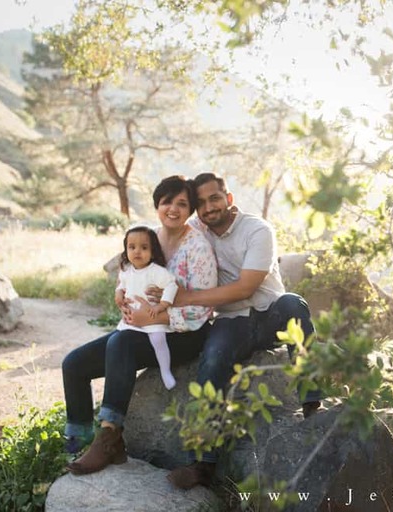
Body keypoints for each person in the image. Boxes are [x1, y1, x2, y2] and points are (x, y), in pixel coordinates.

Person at [165, 172, 322, 490]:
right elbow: (165, 239)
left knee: (295, 303)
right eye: (201, 203)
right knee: (212, 360)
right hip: (230, 322)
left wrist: (190, 298)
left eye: (214, 198)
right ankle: (203, 464)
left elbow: (246, 287)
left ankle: (312, 404)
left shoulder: (258, 229)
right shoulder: (197, 230)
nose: (209, 208)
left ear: (229, 198)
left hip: (270, 314)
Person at [62, 175, 217, 475]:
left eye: (182, 203)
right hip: (140, 329)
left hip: (186, 334)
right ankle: (79, 442)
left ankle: (108, 438)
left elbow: (202, 309)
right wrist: (120, 294)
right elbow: (126, 272)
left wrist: (157, 317)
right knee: (74, 364)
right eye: (166, 202)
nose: (173, 209)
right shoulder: (148, 237)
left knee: (120, 343)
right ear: (157, 205)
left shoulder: (198, 248)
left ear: (191, 209)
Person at [115, 225, 179, 390]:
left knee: (158, 339)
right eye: (132, 247)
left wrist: (162, 305)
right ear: (126, 250)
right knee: (119, 342)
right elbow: (122, 284)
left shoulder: (157, 271)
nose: (137, 252)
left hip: (152, 317)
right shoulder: (127, 271)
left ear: (153, 251)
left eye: (144, 248)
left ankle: (165, 371)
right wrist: (118, 293)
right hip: (131, 319)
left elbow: (172, 285)